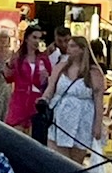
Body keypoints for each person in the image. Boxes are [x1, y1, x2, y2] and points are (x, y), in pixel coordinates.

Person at [43, 35, 104, 165]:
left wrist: (98, 124)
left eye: (72, 46)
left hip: (82, 118)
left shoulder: (93, 72)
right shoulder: (61, 67)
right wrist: (43, 100)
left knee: (76, 161)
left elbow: (99, 100)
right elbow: (50, 88)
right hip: (60, 115)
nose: (68, 48)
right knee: (58, 159)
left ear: (82, 49)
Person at [5, 24, 51, 133]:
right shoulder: (18, 57)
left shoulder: (43, 59)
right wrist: (10, 64)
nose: (37, 41)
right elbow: (8, 78)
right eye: (34, 37)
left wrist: (46, 78)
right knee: (16, 136)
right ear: (26, 39)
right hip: (19, 102)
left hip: (36, 103)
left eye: (39, 38)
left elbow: (50, 81)